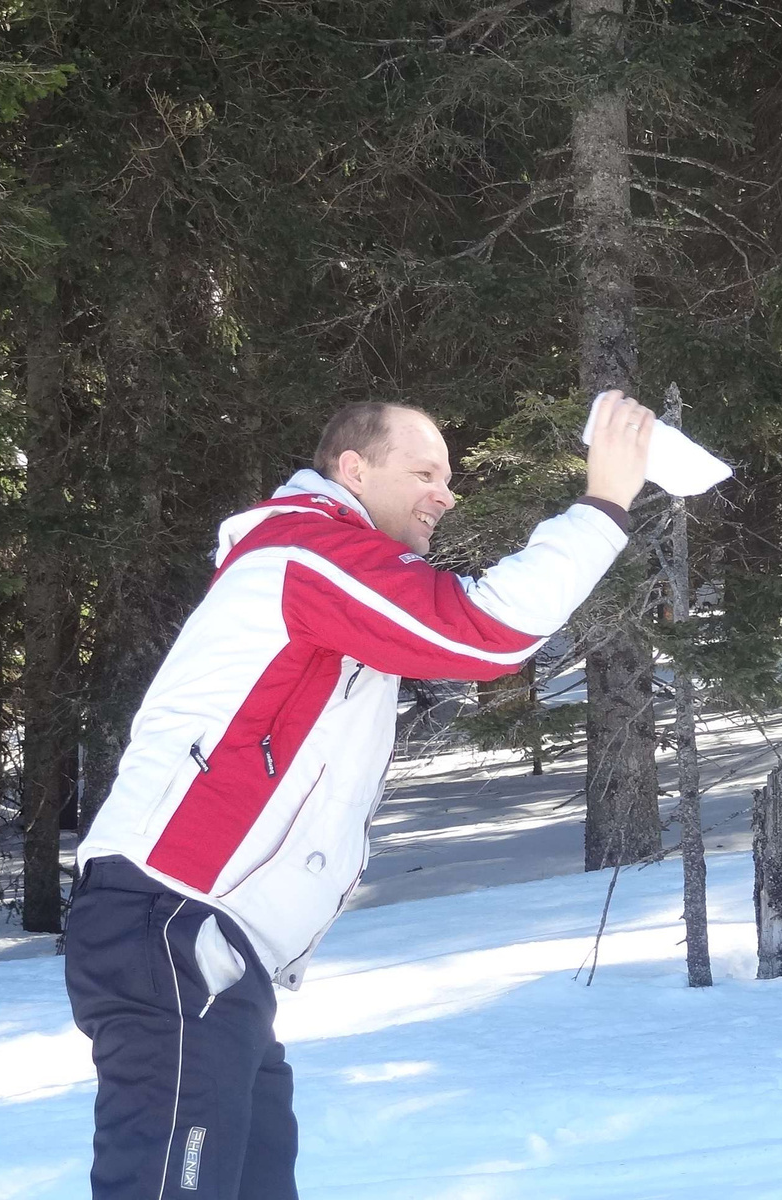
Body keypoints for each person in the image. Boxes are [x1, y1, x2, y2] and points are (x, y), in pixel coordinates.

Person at [65, 392, 656, 1199]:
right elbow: (483, 629)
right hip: (173, 919)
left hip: (218, 949)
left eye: (448, 479)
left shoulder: (324, 570)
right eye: (423, 471)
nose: (445, 494)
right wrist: (604, 503)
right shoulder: (304, 553)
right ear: (352, 468)